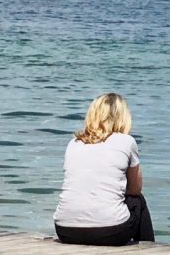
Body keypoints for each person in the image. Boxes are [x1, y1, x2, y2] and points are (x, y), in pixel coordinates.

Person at [53, 92, 153, 245]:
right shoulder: (127, 141)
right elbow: (135, 189)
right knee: (137, 201)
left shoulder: (74, 142)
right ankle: (149, 249)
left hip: (65, 230)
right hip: (111, 231)